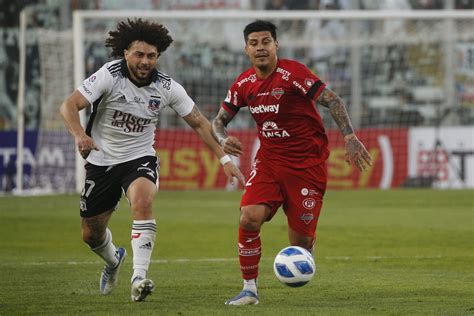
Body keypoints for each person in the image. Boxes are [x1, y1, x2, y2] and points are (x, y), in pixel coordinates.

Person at [60, 18, 245, 302]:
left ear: (158, 57)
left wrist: (224, 160)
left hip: (140, 157)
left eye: (151, 56)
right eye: (139, 54)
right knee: (91, 235)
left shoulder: (167, 87)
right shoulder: (109, 75)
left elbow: (198, 123)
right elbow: (69, 105)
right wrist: (79, 135)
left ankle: (139, 278)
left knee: (143, 201)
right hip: (101, 160)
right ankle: (113, 261)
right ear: (125, 53)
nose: (145, 61)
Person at [211, 20, 372, 306]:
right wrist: (223, 139)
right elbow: (219, 122)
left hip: (307, 166)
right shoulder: (243, 84)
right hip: (270, 162)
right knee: (249, 217)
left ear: (276, 45)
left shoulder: (292, 73)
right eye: (254, 43)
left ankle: (307, 244)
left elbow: (333, 101)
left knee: (300, 244)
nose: (260, 48)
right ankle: (249, 289)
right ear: (246, 49)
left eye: (266, 41)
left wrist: (349, 137)